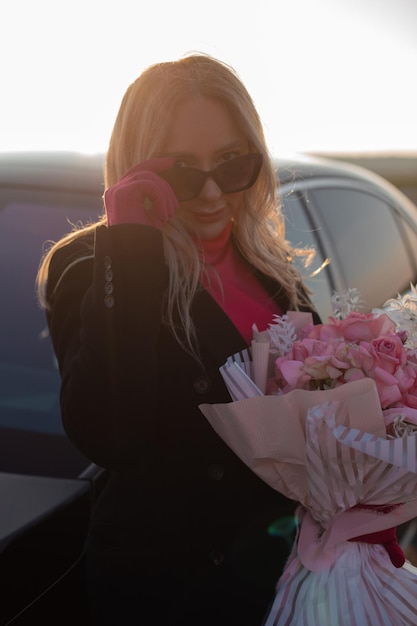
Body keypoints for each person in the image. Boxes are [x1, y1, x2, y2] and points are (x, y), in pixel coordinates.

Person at [36, 53, 320, 625]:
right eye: (183, 172)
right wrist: (133, 247)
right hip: (170, 593)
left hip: (277, 578)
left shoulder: (270, 268)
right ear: (140, 169)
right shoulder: (95, 264)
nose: (213, 194)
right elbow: (109, 433)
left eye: (232, 164)